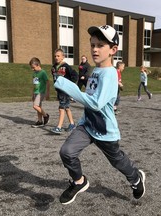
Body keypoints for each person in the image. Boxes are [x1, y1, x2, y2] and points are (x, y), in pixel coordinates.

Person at [54, 25, 146, 205]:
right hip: (88, 126)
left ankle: (136, 178)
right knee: (67, 152)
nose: (95, 49)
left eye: (100, 45)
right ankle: (79, 181)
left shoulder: (110, 74)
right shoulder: (95, 70)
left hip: (105, 130)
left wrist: (69, 87)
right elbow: (90, 97)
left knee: (117, 161)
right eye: (93, 45)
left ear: (113, 50)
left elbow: (96, 103)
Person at [50, 48, 75, 134]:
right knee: (66, 107)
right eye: (55, 56)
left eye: (58, 56)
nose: (56, 57)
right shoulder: (53, 67)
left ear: (63, 57)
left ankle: (59, 127)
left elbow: (75, 75)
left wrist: (70, 85)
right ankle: (72, 124)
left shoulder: (66, 67)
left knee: (61, 108)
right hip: (59, 91)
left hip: (65, 91)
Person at [29, 57, 50, 128]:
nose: (32, 69)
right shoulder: (34, 73)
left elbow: (48, 82)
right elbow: (34, 84)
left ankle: (46, 115)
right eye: (31, 68)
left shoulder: (43, 73)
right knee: (39, 107)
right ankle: (40, 121)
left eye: (33, 67)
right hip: (35, 92)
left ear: (38, 65)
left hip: (41, 92)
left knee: (35, 106)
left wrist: (47, 92)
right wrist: (32, 94)